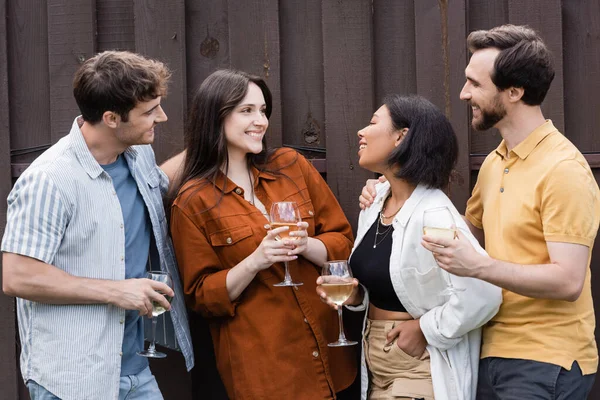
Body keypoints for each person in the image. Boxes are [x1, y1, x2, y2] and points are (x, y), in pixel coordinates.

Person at [363, 24, 600, 399]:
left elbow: (568, 281)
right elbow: (459, 236)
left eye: (475, 84)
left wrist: (479, 268)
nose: (464, 93)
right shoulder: (495, 162)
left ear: (514, 91)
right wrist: (388, 196)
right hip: (488, 351)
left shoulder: (563, 169)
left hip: (543, 359)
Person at [1, 51, 194, 400]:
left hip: (136, 372)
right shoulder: (49, 180)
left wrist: (209, 143)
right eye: (149, 112)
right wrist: (118, 290)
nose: (161, 117)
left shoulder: (136, 155)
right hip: (73, 378)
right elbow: (18, 276)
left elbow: (156, 185)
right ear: (111, 118)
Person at [169, 69, 357, 400]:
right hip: (267, 371)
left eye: (263, 110)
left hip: (332, 358)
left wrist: (307, 244)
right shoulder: (192, 202)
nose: (261, 121)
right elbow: (201, 296)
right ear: (216, 117)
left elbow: (342, 240)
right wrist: (256, 260)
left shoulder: (291, 165)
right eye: (247, 111)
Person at [322, 94, 501, 400]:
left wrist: (425, 329)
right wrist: (353, 294)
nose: (361, 132)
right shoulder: (375, 203)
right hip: (375, 361)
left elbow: (484, 294)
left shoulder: (434, 215)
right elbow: (393, 284)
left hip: (418, 366)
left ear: (401, 137)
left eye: (374, 122)